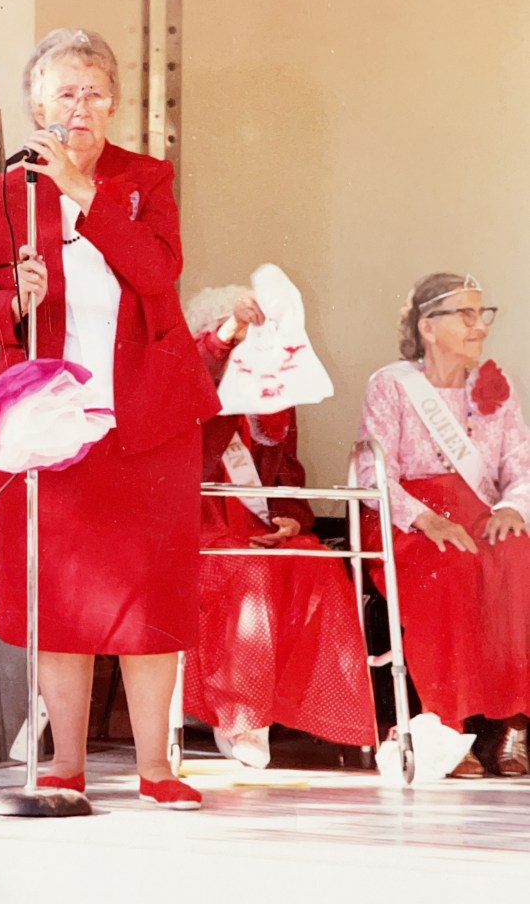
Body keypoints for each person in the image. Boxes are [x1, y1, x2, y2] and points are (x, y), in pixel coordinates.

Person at [0, 28, 220, 809]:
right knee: (59, 598)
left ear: (114, 102)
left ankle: (156, 768)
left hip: (146, 419)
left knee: (149, 598)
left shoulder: (146, 177)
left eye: (94, 91)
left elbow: (159, 275)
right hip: (53, 425)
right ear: (37, 103)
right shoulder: (9, 190)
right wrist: (20, 301)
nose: (80, 106)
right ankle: (65, 765)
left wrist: (84, 192)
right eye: (64, 93)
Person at [182, 287, 377, 767]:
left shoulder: (268, 406)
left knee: (318, 565)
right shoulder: (193, 389)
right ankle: (242, 718)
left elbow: (285, 477)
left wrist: (290, 521)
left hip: (258, 533)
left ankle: (330, 715)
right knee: (246, 571)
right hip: (198, 534)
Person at [357, 272, 530, 777]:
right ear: (428, 327)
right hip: (410, 521)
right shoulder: (391, 384)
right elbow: (374, 470)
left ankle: (511, 724)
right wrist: (425, 518)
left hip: (480, 514)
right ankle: (446, 726)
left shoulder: (496, 385)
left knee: (518, 557)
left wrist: (513, 507)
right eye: (467, 315)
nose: (480, 327)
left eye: (484, 315)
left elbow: (519, 464)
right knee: (449, 568)